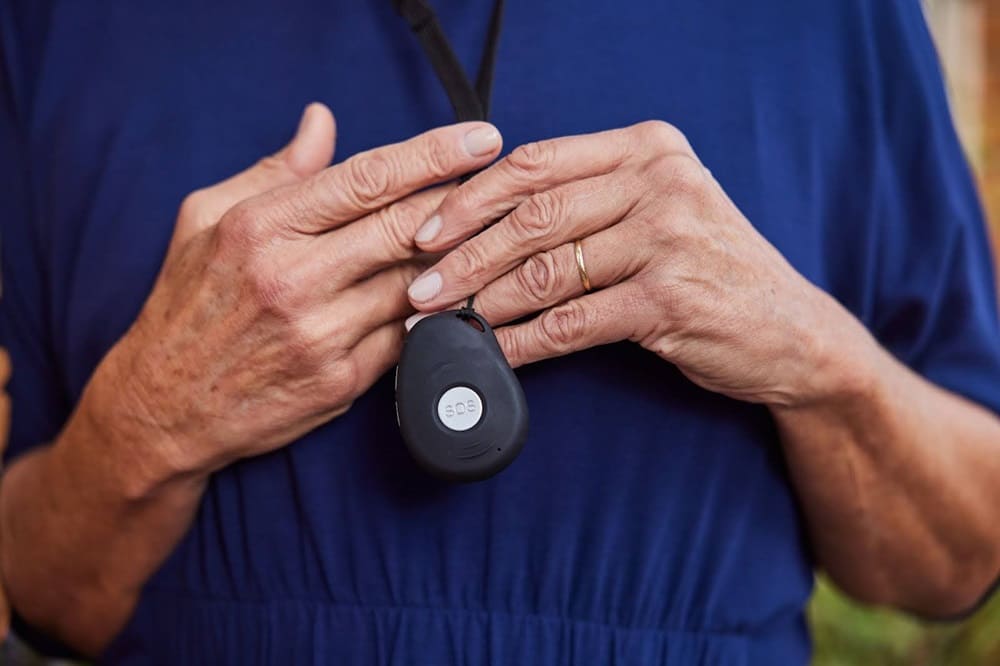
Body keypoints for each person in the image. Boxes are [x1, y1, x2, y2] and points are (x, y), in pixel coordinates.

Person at [2, 1, 1000, 664]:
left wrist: (814, 359)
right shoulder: (56, 22)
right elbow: (41, 593)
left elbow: (953, 558)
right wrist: (147, 420)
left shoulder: (828, 21)